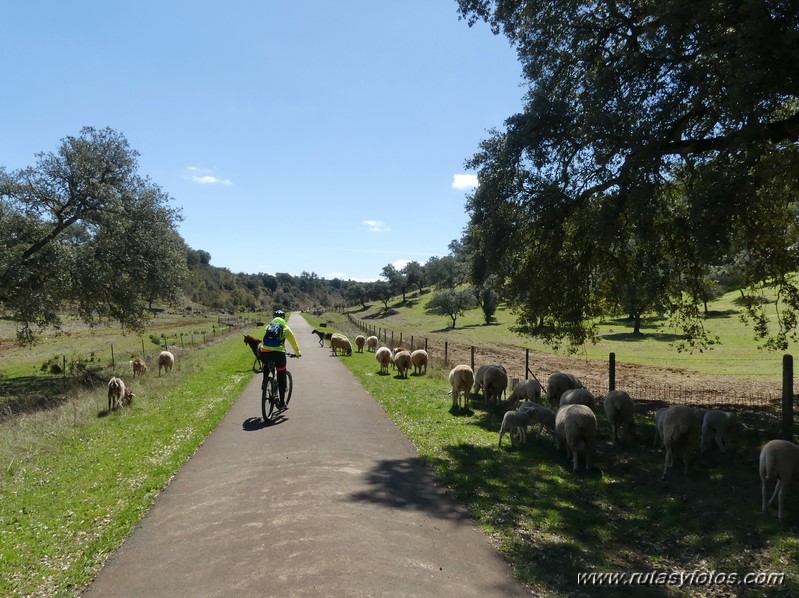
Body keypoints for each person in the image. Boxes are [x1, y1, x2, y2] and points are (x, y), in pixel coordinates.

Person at [259, 309, 301, 409]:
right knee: (281, 376)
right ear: (283, 318)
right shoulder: (285, 328)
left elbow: (264, 341)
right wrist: (297, 353)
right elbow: (293, 342)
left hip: (265, 353)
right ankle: (282, 402)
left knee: (266, 364)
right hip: (279, 354)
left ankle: (265, 381)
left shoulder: (268, 327)